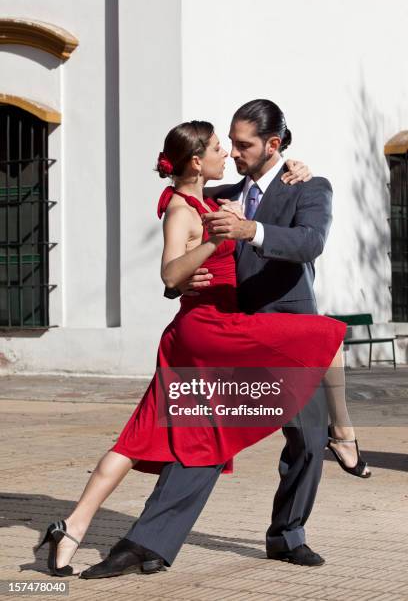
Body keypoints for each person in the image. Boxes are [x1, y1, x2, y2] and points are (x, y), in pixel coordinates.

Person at [35, 115, 346, 579]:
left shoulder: (307, 185)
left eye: (242, 146)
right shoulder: (217, 195)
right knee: (203, 439)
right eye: (229, 146)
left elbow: (310, 242)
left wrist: (250, 232)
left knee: (305, 439)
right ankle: (147, 543)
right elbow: (179, 250)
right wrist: (183, 285)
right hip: (223, 334)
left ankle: (288, 534)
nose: (235, 154)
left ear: (272, 144)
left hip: (285, 329)